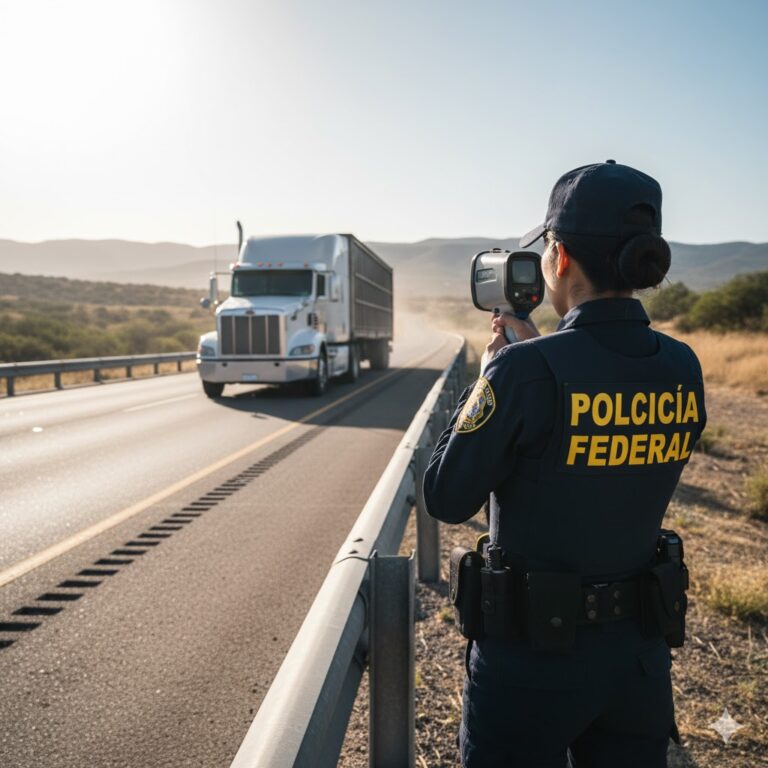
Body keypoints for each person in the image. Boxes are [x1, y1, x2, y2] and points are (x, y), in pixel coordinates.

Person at [423, 160, 706, 768]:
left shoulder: (524, 372)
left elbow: (447, 497)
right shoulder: (683, 366)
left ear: (560, 257)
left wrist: (490, 380)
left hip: (529, 665)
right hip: (638, 659)